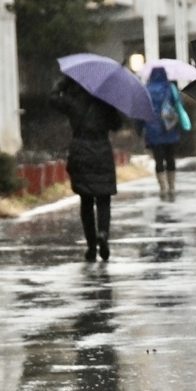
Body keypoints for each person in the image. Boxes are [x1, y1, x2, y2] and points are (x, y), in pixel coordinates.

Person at [49, 75, 122, 262]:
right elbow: (117, 125)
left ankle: (91, 246)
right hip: (102, 151)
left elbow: (53, 99)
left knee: (86, 201)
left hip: (81, 150)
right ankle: (103, 233)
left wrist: (63, 82)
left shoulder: (74, 101)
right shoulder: (105, 102)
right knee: (104, 199)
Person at [143, 67, 183, 201]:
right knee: (170, 157)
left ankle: (162, 188)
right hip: (169, 127)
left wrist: (140, 128)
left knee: (158, 159)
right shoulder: (170, 88)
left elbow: (141, 109)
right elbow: (178, 105)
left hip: (152, 129)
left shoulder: (146, 89)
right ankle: (172, 186)